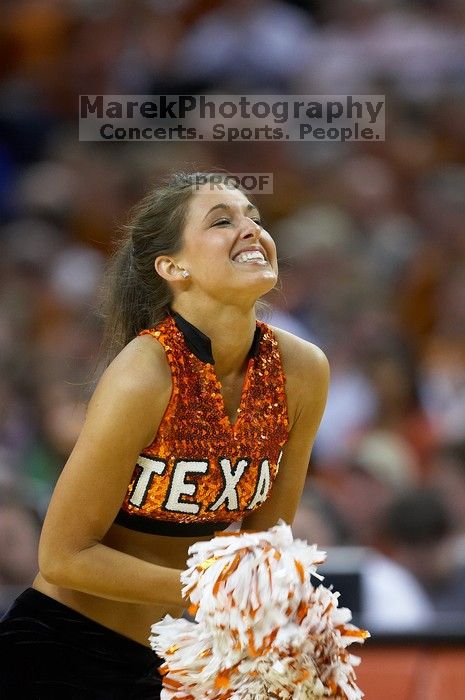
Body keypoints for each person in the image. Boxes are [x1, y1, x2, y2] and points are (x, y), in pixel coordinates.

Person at [0, 172, 330, 698]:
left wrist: (275, 615)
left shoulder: (303, 370)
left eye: (254, 218)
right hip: (59, 652)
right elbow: (63, 556)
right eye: (223, 221)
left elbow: (262, 547)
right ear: (173, 267)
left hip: (177, 655)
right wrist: (214, 592)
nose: (250, 229)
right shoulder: (145, 373)